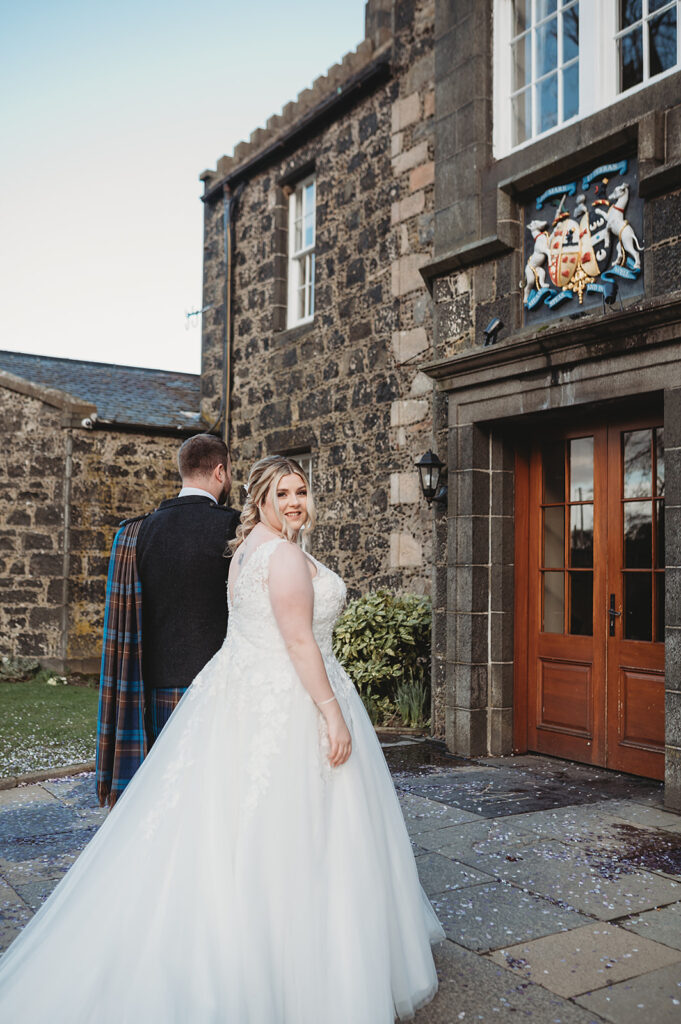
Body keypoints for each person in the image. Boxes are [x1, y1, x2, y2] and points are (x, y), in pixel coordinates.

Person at [0, 455, 444, 1023]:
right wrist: (332, 714)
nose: (294, 502)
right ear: (257, 497)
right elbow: (301, 645)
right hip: (289, 700)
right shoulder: (281, 556)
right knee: (296, 832)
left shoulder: (249, 552)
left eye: (302, 491)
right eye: (282, 492)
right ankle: (298, 971)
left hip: (240, 694)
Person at [96, 433, 239, 807]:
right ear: (220, 471)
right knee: (216, 793)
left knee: (169, 794)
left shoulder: (138, 532)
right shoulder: (236, 528)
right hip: (222, 684)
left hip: (159, 688)